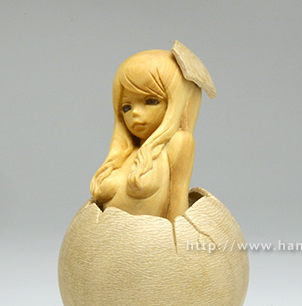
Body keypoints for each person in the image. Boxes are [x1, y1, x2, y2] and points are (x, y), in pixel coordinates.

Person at [90, 43, 214, 221]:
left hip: (152, 238)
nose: (135, 113)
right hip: (104, 237)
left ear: (176, 102)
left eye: (151, 101)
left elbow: (177, 200)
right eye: (126, 107)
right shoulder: (125, 153)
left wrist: (176, 235)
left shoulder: (179, 142)